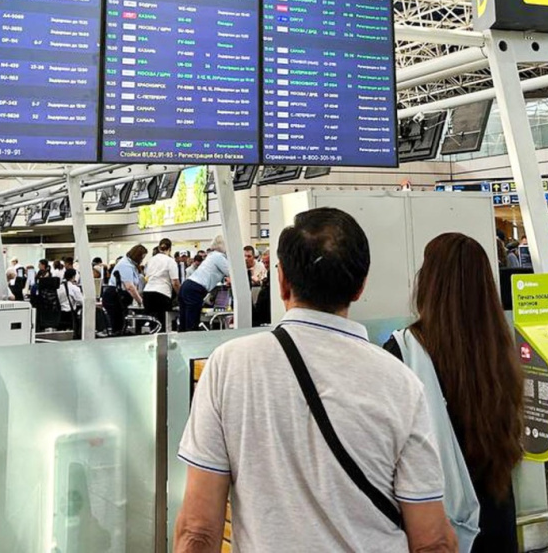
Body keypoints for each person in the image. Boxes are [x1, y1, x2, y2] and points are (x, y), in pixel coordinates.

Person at [175, 208, 456, 552]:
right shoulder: (401, 383)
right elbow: (432, 540)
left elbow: (198, 530)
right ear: (360, 286)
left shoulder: (229, 366)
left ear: (282, 281)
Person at [385, 233, 523, 552]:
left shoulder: (404, 351)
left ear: (429, 283)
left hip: (437, 524)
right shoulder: (500, 349)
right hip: (497, 515)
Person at [178, 236, 233, 332]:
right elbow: (232, 272)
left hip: (186, 286)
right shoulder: (218, 257)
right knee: (192, 326)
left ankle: (182, 340)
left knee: (184, 324)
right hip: (195, 290)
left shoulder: (211, 256)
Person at [103, 245, 145, 336]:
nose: (142, 260)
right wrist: (140, 301)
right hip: (114, 296)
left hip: (118, 296)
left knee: (121, 324)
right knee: (118, 326)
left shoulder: (131, 265)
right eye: (142, 257)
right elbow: (130, 287)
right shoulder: (126, 265)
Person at [143, 239, 180, 331]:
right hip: (162, 293)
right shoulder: (170, 261)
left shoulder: (150, 260)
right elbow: (175, 282)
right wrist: (180, 295)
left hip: (147, 293)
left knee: (151, 323)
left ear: (159, 248)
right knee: (163, 323)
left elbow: (146, 277)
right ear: (170, 249)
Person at [58, 267, 85, 338]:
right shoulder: (74, 288)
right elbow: (82, 302)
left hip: (60, 314)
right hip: (70, 314)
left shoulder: (59, 287)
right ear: (73, 277)